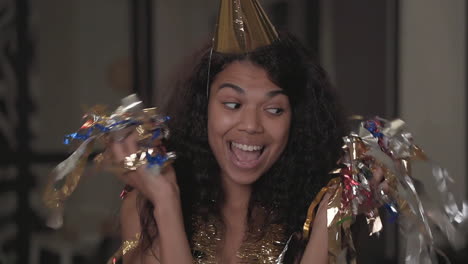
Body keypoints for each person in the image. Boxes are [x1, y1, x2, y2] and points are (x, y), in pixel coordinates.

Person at [109, 1, 353, 263]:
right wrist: (166, 201)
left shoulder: (313, 210)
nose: (250, 125)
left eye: (274, 109)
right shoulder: (146, 206)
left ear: (297, 120)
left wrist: (333, 209)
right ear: (203, 110)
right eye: (232, 104)